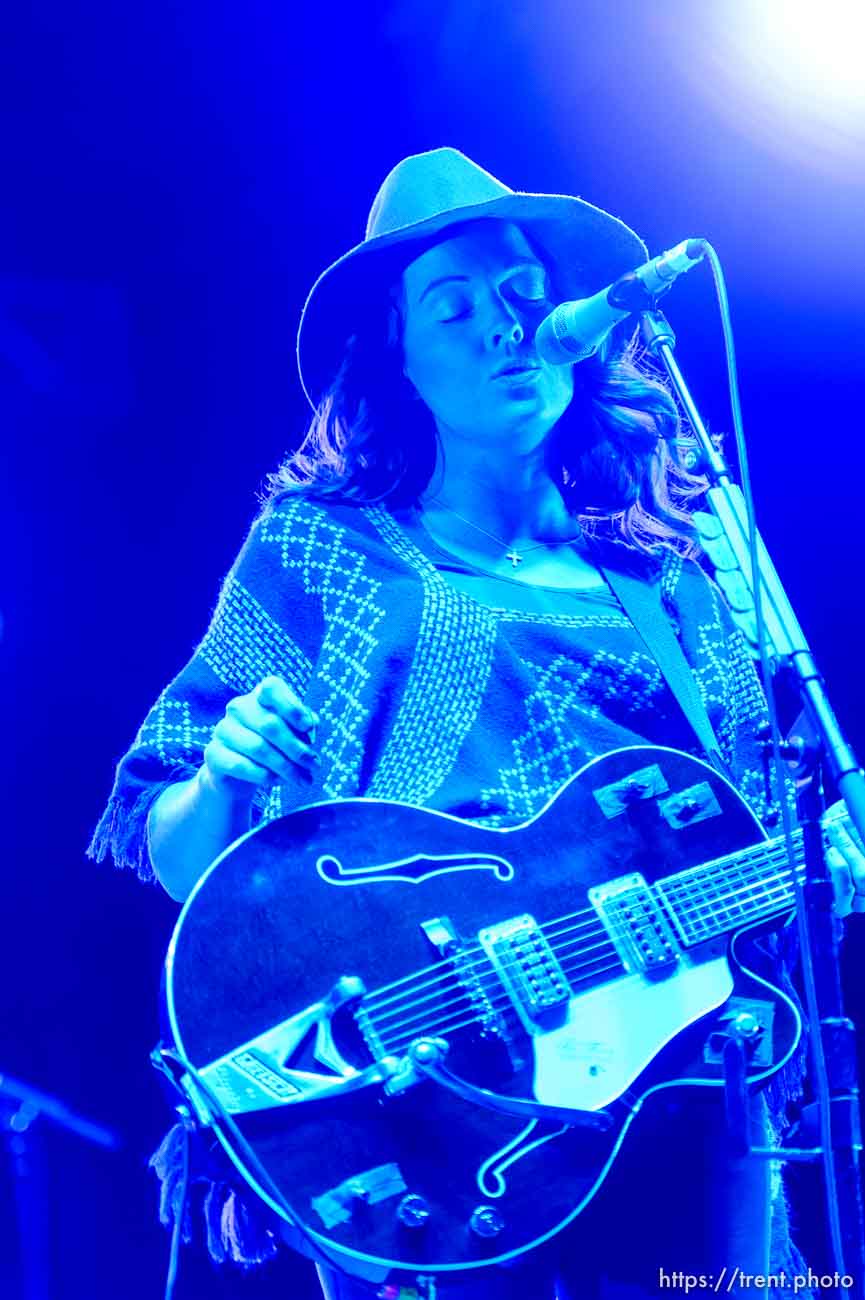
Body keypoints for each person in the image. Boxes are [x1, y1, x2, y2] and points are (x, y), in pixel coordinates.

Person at [89, 148, 864, 1300]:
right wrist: (223, 782)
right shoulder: (321, 549)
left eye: (521, 294)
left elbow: (794, 827)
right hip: (431, 1105)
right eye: (453, 307)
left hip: (684, 1094)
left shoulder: (695, 549)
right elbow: (173, 844)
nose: (505, 327)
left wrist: (824, 861)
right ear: (397, 356)